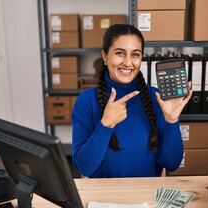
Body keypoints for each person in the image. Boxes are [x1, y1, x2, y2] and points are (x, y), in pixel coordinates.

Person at [72, 24, 192, 178]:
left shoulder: (157, 99)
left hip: (145, 194)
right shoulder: (86, 101)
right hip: (104, 197)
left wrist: (171, 121)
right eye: (120, 53)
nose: (128, 63)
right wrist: (106, 124)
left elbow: (171, 164)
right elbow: (84, 167)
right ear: (105, 56)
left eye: (135, 54)